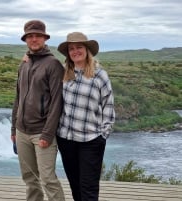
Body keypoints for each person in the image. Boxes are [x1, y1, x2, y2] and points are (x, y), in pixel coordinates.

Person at [56, 32, 115, 201]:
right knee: (75, 185)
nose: (75, 51)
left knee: (88, 187)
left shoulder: (99, 75)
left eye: (79, 47)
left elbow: (108, 105)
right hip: (66, 139)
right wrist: (28, 57)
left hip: (91, 140)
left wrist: (103, 135)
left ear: (87, 49)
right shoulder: (64, 72)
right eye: (71, 49)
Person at [11, 20, 65, 201]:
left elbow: (57, 102)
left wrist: (47, 134)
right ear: (26, 39)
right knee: (30, 179)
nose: (34, 39)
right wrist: (13, 129)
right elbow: (18, 98)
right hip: (21, 132)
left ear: (44, 38)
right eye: (30, 36)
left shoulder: (53, 64)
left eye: (37, 36)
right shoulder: (24, 64)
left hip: (41, 132)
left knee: (48, 179)